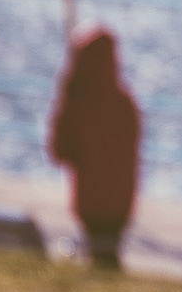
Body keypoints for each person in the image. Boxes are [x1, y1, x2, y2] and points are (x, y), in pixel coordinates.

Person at [48, 24, 142, 271]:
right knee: (109, 252)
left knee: (98, 252)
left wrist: (65, 99)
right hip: (122, 201)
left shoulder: (77, 103)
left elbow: (59, 151)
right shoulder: (125, 102)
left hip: (89, 201)